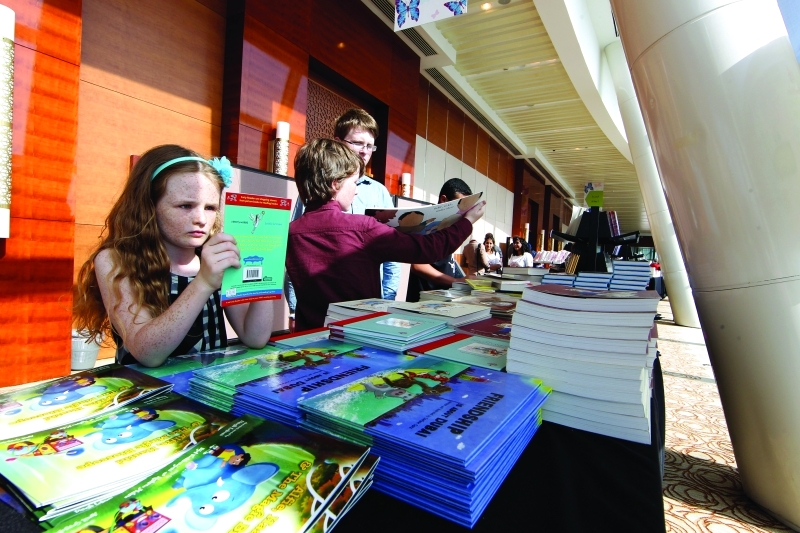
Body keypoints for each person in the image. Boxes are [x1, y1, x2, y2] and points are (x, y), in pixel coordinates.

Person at [73, 145, 275, 367]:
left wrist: (268, 272)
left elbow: (254, 337)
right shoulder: (115, 261)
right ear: (150, 206)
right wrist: (204, 283)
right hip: (151, 387)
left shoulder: (213, 256)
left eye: (210, 208)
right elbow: (147, 353)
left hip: (208, 384)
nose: (201, 219)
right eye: (185, 206)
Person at [286, 139, 484, 330]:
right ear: (335, 183)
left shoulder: (290, 232)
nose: (357, 191)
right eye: (354, 182)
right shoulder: (363, 228)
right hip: (358, 334)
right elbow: (429, 249)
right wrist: (467, 222)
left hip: (310, 337)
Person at [285, 108, 399, 321]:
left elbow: (391, 256)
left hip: (367, 308)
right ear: (338, 142)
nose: (365, 152)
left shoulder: (379, 192)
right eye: (358, 143)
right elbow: (297, 251)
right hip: (319, 310)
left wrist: (387, 299)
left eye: (370, 146)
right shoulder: (315, 190)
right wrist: (293, 307)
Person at [406, 178, 476, 302]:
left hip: (442, 298)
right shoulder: (425, 223)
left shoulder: (449, 225)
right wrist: (455, 281)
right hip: (423, 300)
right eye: (459, 205)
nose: (461, 212)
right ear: (444, 200)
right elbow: (417, 265)